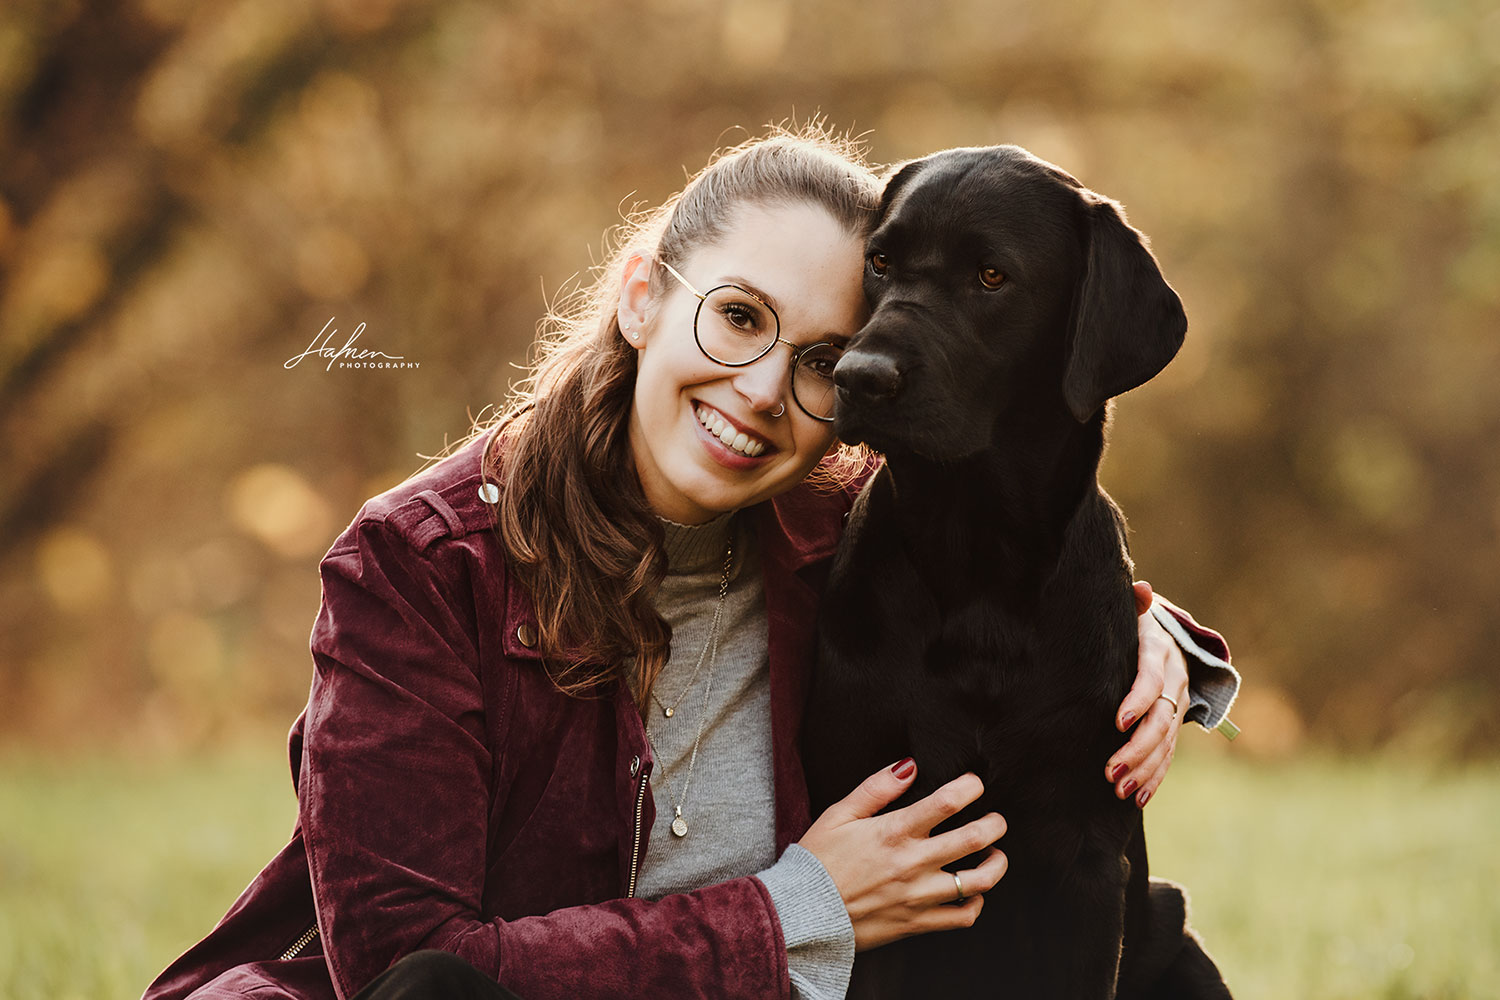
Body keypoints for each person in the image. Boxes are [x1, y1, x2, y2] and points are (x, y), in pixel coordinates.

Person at [142, 125, 1238, 1000]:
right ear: (642, 297)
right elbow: (404, 964)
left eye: (818, 360)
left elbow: (1027, 548)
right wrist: (795, 909)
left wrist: (1160, 645)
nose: (762, 390)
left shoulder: (838, 539)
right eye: (738, 317)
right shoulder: (420, 569)